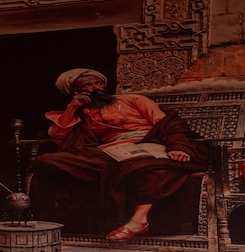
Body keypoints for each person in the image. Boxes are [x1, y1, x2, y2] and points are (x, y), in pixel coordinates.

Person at [29, 68, 205, 240]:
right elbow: (58, 134)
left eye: (98, 83)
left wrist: (178, 147)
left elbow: (167, 124)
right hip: (109, 153)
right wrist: (72, 107)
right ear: (76, 91)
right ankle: (120, 171)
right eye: (87, 85)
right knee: (46, 160)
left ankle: (138, 221)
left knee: (138, 167)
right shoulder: (83, 113)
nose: (95, 88)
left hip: (149, 143)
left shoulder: (133, 99)